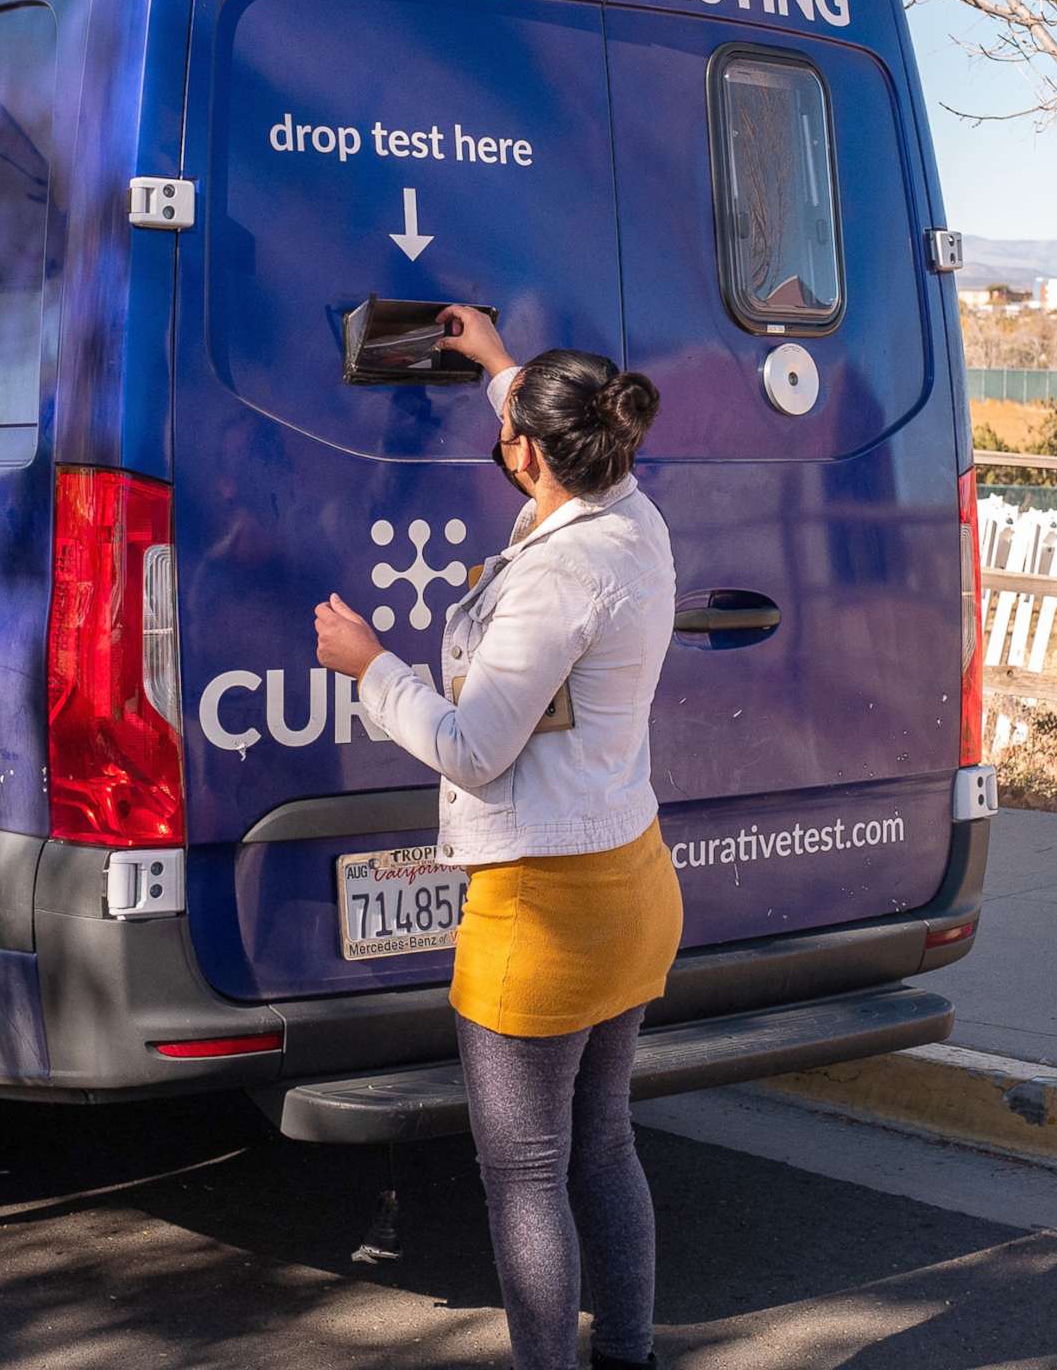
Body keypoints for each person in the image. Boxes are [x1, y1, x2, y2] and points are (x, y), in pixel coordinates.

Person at [314, 304, 681, 1370]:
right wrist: (495, 364)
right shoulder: (632, 517)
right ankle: (628, 1357)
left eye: (506, 434)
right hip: (632, 886)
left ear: (531, 458)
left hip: (541, 911)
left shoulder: (557, 580)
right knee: (603, 1145)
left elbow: (474, 749)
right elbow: (562, 431)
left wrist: (370, 665)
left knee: (526, 1174)